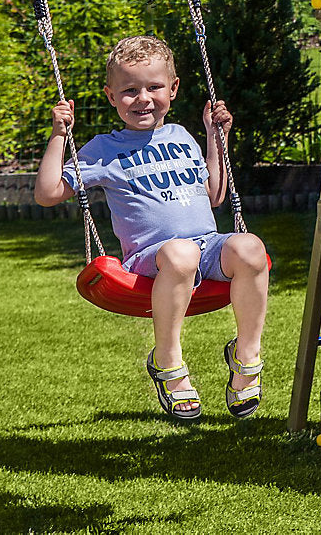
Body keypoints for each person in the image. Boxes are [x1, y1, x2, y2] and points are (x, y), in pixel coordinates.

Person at [35, 35, 270, 422]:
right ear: (111, 97)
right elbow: (47, 193)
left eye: (154, 87)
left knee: (250, 247)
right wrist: (60, 135)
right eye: (129, 91)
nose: (143, 98)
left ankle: (246, 355)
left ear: (173, 89)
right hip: (153, 257)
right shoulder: (102, 149)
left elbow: (214, 194)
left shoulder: (182, 137)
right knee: (181, 253)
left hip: (207, 246)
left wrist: (216, 138)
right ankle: (168, 360)